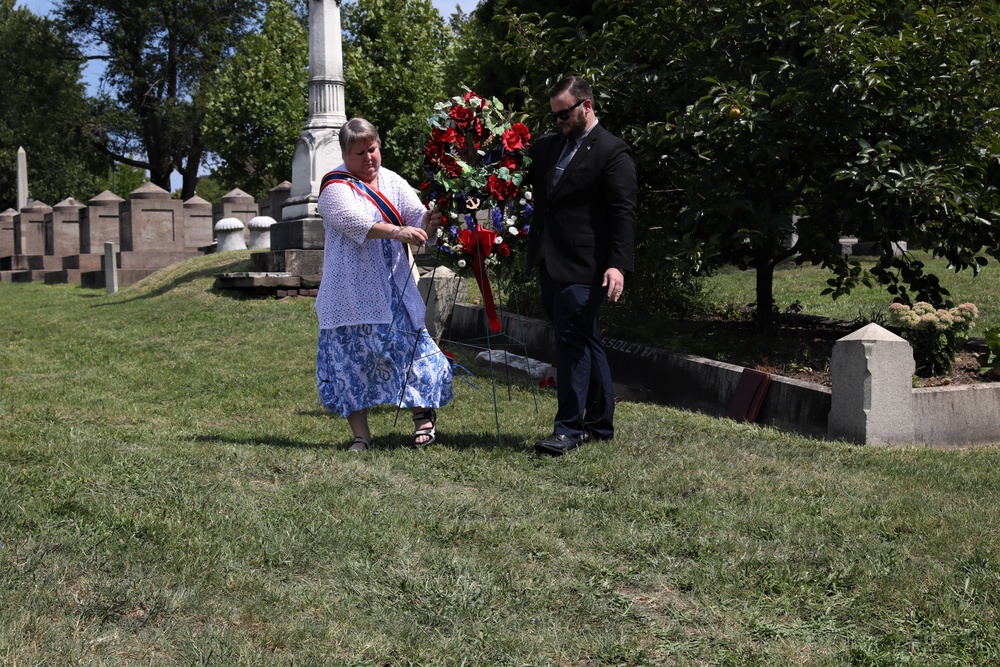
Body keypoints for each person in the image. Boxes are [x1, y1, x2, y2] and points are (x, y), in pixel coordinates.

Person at [315, 118, 453, 451]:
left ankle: (423, 419)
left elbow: (414, 215)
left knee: (413, 351)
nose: (369, 158)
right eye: (360, 152)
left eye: (373, 149)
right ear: (346, 155)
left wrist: (427, 221)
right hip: (348, 294)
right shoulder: (334, 187)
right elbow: (354, 221)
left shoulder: (391, 180)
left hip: (392, 287)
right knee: (350, 362)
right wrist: (397, 231)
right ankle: (361, 436)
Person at [525, 76, 638, 456]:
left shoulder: (612, 151)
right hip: (549, 258)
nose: (558, 121)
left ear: (586, 106)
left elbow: (624, 214)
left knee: (571, 342)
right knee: (586, 338)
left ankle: (568, 429)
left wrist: (617, 265)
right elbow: (510, 170)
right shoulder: (547, 147)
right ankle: (600, 426)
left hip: (586, 265)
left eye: (564, 114)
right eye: (554, 115)